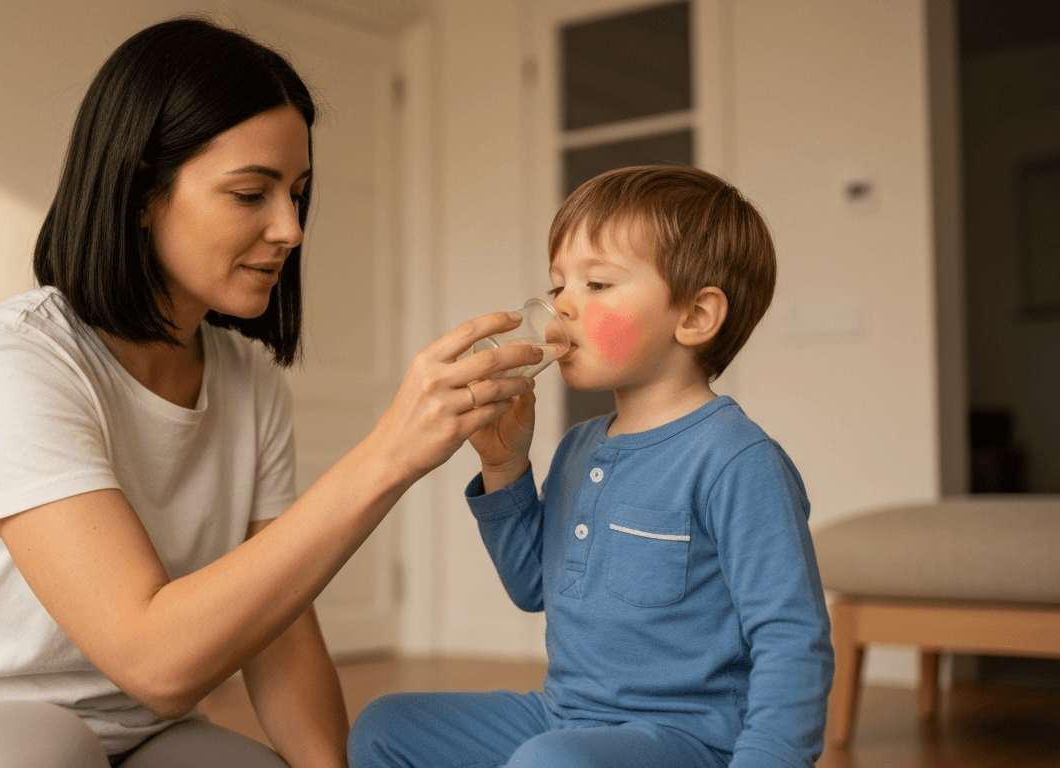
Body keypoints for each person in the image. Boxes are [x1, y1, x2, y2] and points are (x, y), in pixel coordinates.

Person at [0, 17, 541, 768]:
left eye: (296, 193)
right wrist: (389, 454)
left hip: (133, 737)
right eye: (250, 193)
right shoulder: (13, 361)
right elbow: (156, 663)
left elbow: (281, 631)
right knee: (40, 748)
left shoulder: (248, 382)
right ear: (140, 192)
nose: (291, 228)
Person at [348, 165, 834, 768]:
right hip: (567, 716)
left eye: (597, 284)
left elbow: (792, 640)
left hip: (690, 739)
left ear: (695, 317)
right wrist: (505, 466)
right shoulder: (582, 447)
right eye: (557, 287)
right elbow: (533, 587)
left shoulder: (737, 461)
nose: (561, 308)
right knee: (385, 727)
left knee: (552, 763)